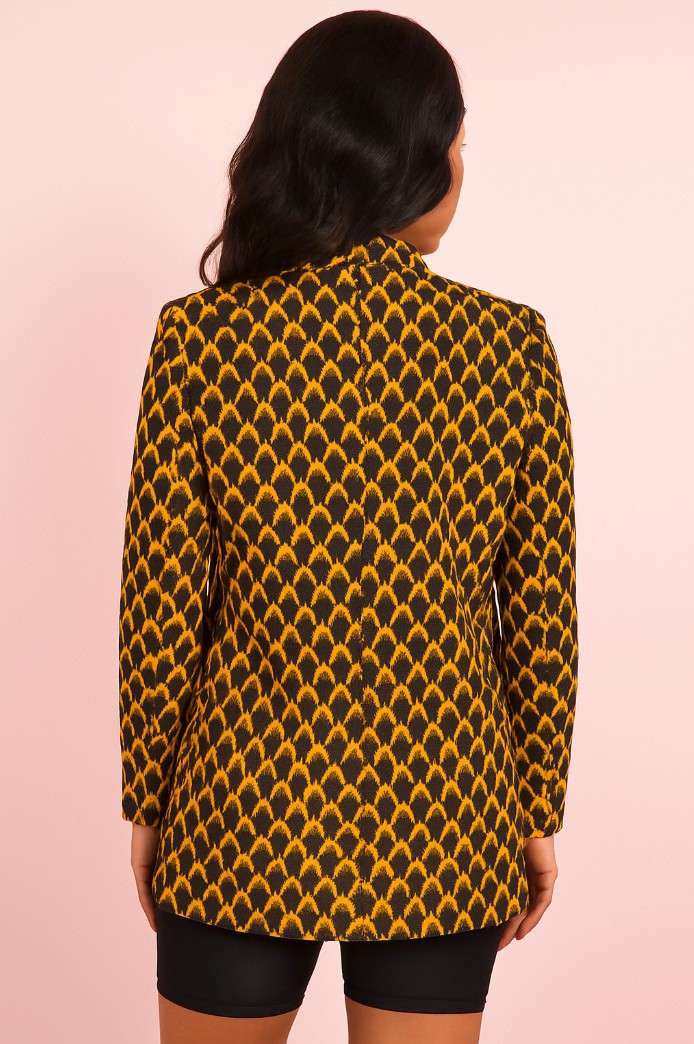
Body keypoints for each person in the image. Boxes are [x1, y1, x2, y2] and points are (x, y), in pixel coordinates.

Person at [118, 10, 578, 1044]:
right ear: (402, 156)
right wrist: (535, 811)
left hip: (238, 813)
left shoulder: (201, 341)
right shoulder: (509, 347)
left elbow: (160, 604)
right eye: (457, 143)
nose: (462, 169)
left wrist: (149, 803)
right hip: (447, 814)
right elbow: (540, 616)